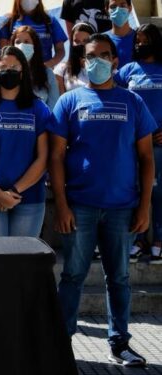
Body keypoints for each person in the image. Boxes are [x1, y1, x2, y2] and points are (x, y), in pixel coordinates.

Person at [50, 33, 155, 367]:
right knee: (73, 276)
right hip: (79, 206)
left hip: (122, 207)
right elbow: (55, 158)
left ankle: (120, 344)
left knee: (120, 278)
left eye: (104, 55)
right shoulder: (69, 101)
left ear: (115, 60)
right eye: (91, 55)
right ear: (83, 61)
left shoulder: (132, 102)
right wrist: (62, 205)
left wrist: (144, 206)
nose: (98, 60)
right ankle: (61, 342)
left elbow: (147, 159)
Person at [0, 46, 50, 237]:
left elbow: (43, 157)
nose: (8, 71)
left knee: (23, 264)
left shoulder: (39, 108)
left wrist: (13, 191)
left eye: (14, 66)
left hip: (30, 198)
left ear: (23, 71)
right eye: (3, 67)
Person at [116, 23, 162, 264]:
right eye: (138, 40)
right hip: (134, 145)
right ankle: (138, 240)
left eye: (145, 40)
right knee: (137, 191)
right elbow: (116, 100)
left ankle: (158, 242)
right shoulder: (128, 70)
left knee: (159, 194)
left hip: (160, 147)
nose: (140, 44)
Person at [0, 0, 67, 68]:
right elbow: (3, 52)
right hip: (17, 74)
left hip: (44, 73)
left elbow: (60, 50)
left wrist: (48, 65)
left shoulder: (49, 20)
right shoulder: (8, 21)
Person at [9, 25, 60, 109]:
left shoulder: (47, 73)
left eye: (26, 42)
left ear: (35, 45)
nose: (22, 45)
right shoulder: (8, 72)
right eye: (18, 42)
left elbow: (54, 104)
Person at [54, 22, 93, 94]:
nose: (81, 44)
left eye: (85, 41)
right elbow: (61, 99)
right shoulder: (61, 69)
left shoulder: (102, 66)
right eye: (77, 41)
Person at [104, 0, 135, 69]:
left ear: (130, 8)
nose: (118, 10)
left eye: (122, 6)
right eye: (113, 7)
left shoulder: (140, 39)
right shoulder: (101, 40)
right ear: (107, 10)